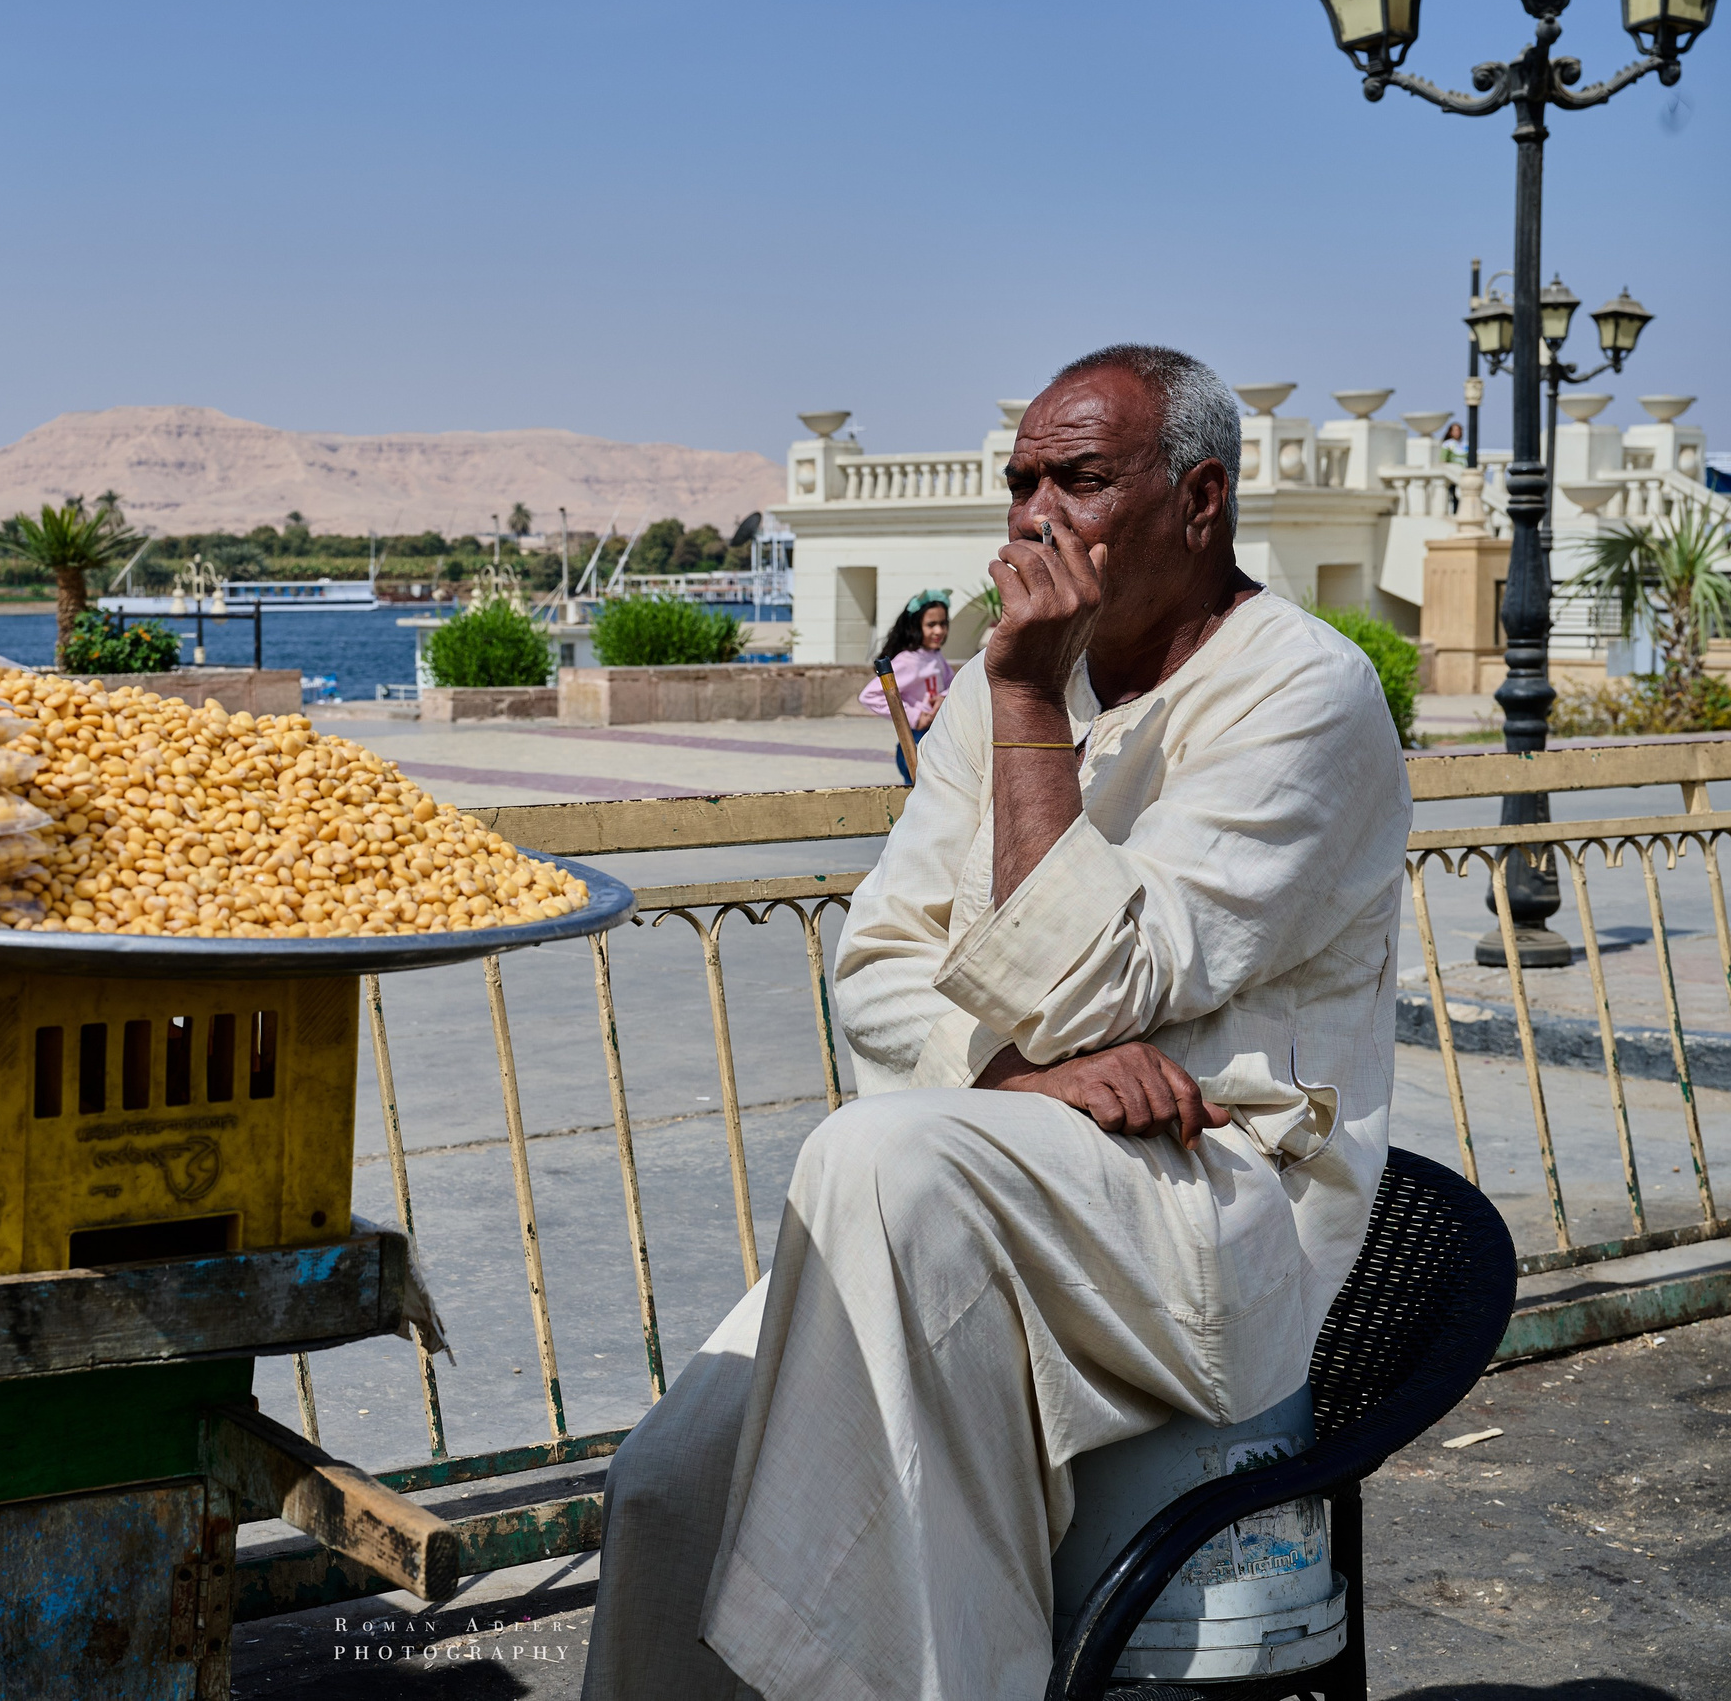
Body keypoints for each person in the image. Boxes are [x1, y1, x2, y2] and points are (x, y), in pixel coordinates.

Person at [581, 344, 1412, 1701]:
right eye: (1020, 479)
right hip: (993, 1172)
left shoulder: (1301, 693)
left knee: (874, 1155)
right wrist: (1029, 1069)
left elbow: (1106, 975)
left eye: (1076, 479)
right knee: (672, 1483)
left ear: (1199, 501)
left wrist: (1028, 699)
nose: (1033, 516)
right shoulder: (998, 686)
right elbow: (880, 961)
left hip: (1210, 1207)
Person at [863, 591, 954, 781]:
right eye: (931, 625)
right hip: (915, 741)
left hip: (936, 737)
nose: (938, 631)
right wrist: (914, 716)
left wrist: (943, 698)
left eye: (943, 624)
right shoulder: (908, 661)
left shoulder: (934, 655)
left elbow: (950, 684)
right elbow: (870, 695)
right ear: (915, 627)